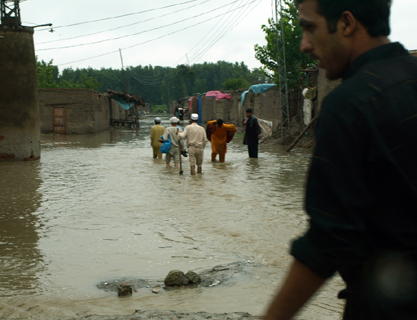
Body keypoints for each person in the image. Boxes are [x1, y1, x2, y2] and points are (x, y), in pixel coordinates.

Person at [263, 1, 417, 320]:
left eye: (309, 28)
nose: (304, 45)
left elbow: (328, 240)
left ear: (346, 23)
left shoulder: (350, 106)